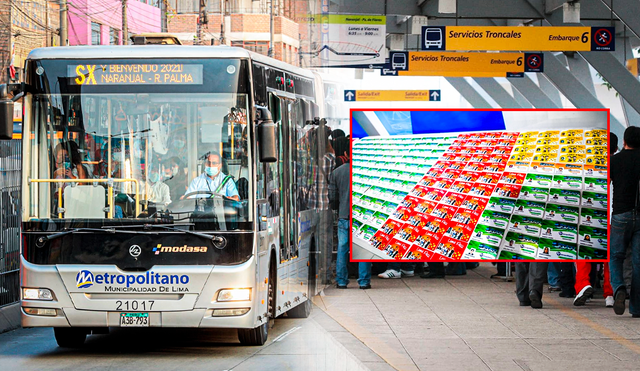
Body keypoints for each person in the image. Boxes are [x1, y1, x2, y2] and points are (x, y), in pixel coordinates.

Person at [330, 143, 371, 289]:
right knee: (362, 249)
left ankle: (341, 281)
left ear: (346, 154)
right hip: (362, 217)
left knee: (342, 248)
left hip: (343, 215)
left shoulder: (337, 172)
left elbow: (333, 197)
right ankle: (364, 281)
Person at [609, 126, 640, 317]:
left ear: (624, 141)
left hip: (620, 214)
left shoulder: (614, 160)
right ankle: (636, 308)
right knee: (638, 262)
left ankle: (619, 287)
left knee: (615, 256)